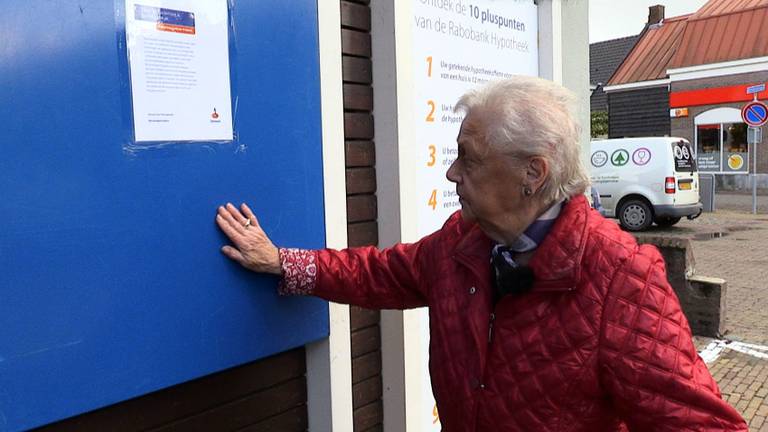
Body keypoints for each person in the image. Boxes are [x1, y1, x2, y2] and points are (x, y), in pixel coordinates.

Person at [215, 76, 747, 431]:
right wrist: (284, 262)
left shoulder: (618, 277)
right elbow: (379, 274)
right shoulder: (461, 244)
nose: (451, 174)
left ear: (532, 174)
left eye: (467, 159)